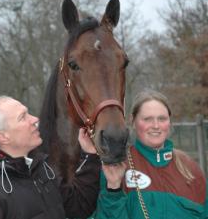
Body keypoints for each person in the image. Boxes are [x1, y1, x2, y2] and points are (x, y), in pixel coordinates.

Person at [0, 96, 100, 219]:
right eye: (22, 117)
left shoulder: (42, 169)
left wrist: (90, 155)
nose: (35, 119)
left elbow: (78, 206)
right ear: (3, 137)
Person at [89, 89, 208, 219]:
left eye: (162, 119)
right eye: (147, 119)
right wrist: (114, 188)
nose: (156, 125)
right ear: (133, 121)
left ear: (169, 122)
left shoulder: (190, 168)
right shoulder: (117, 166)